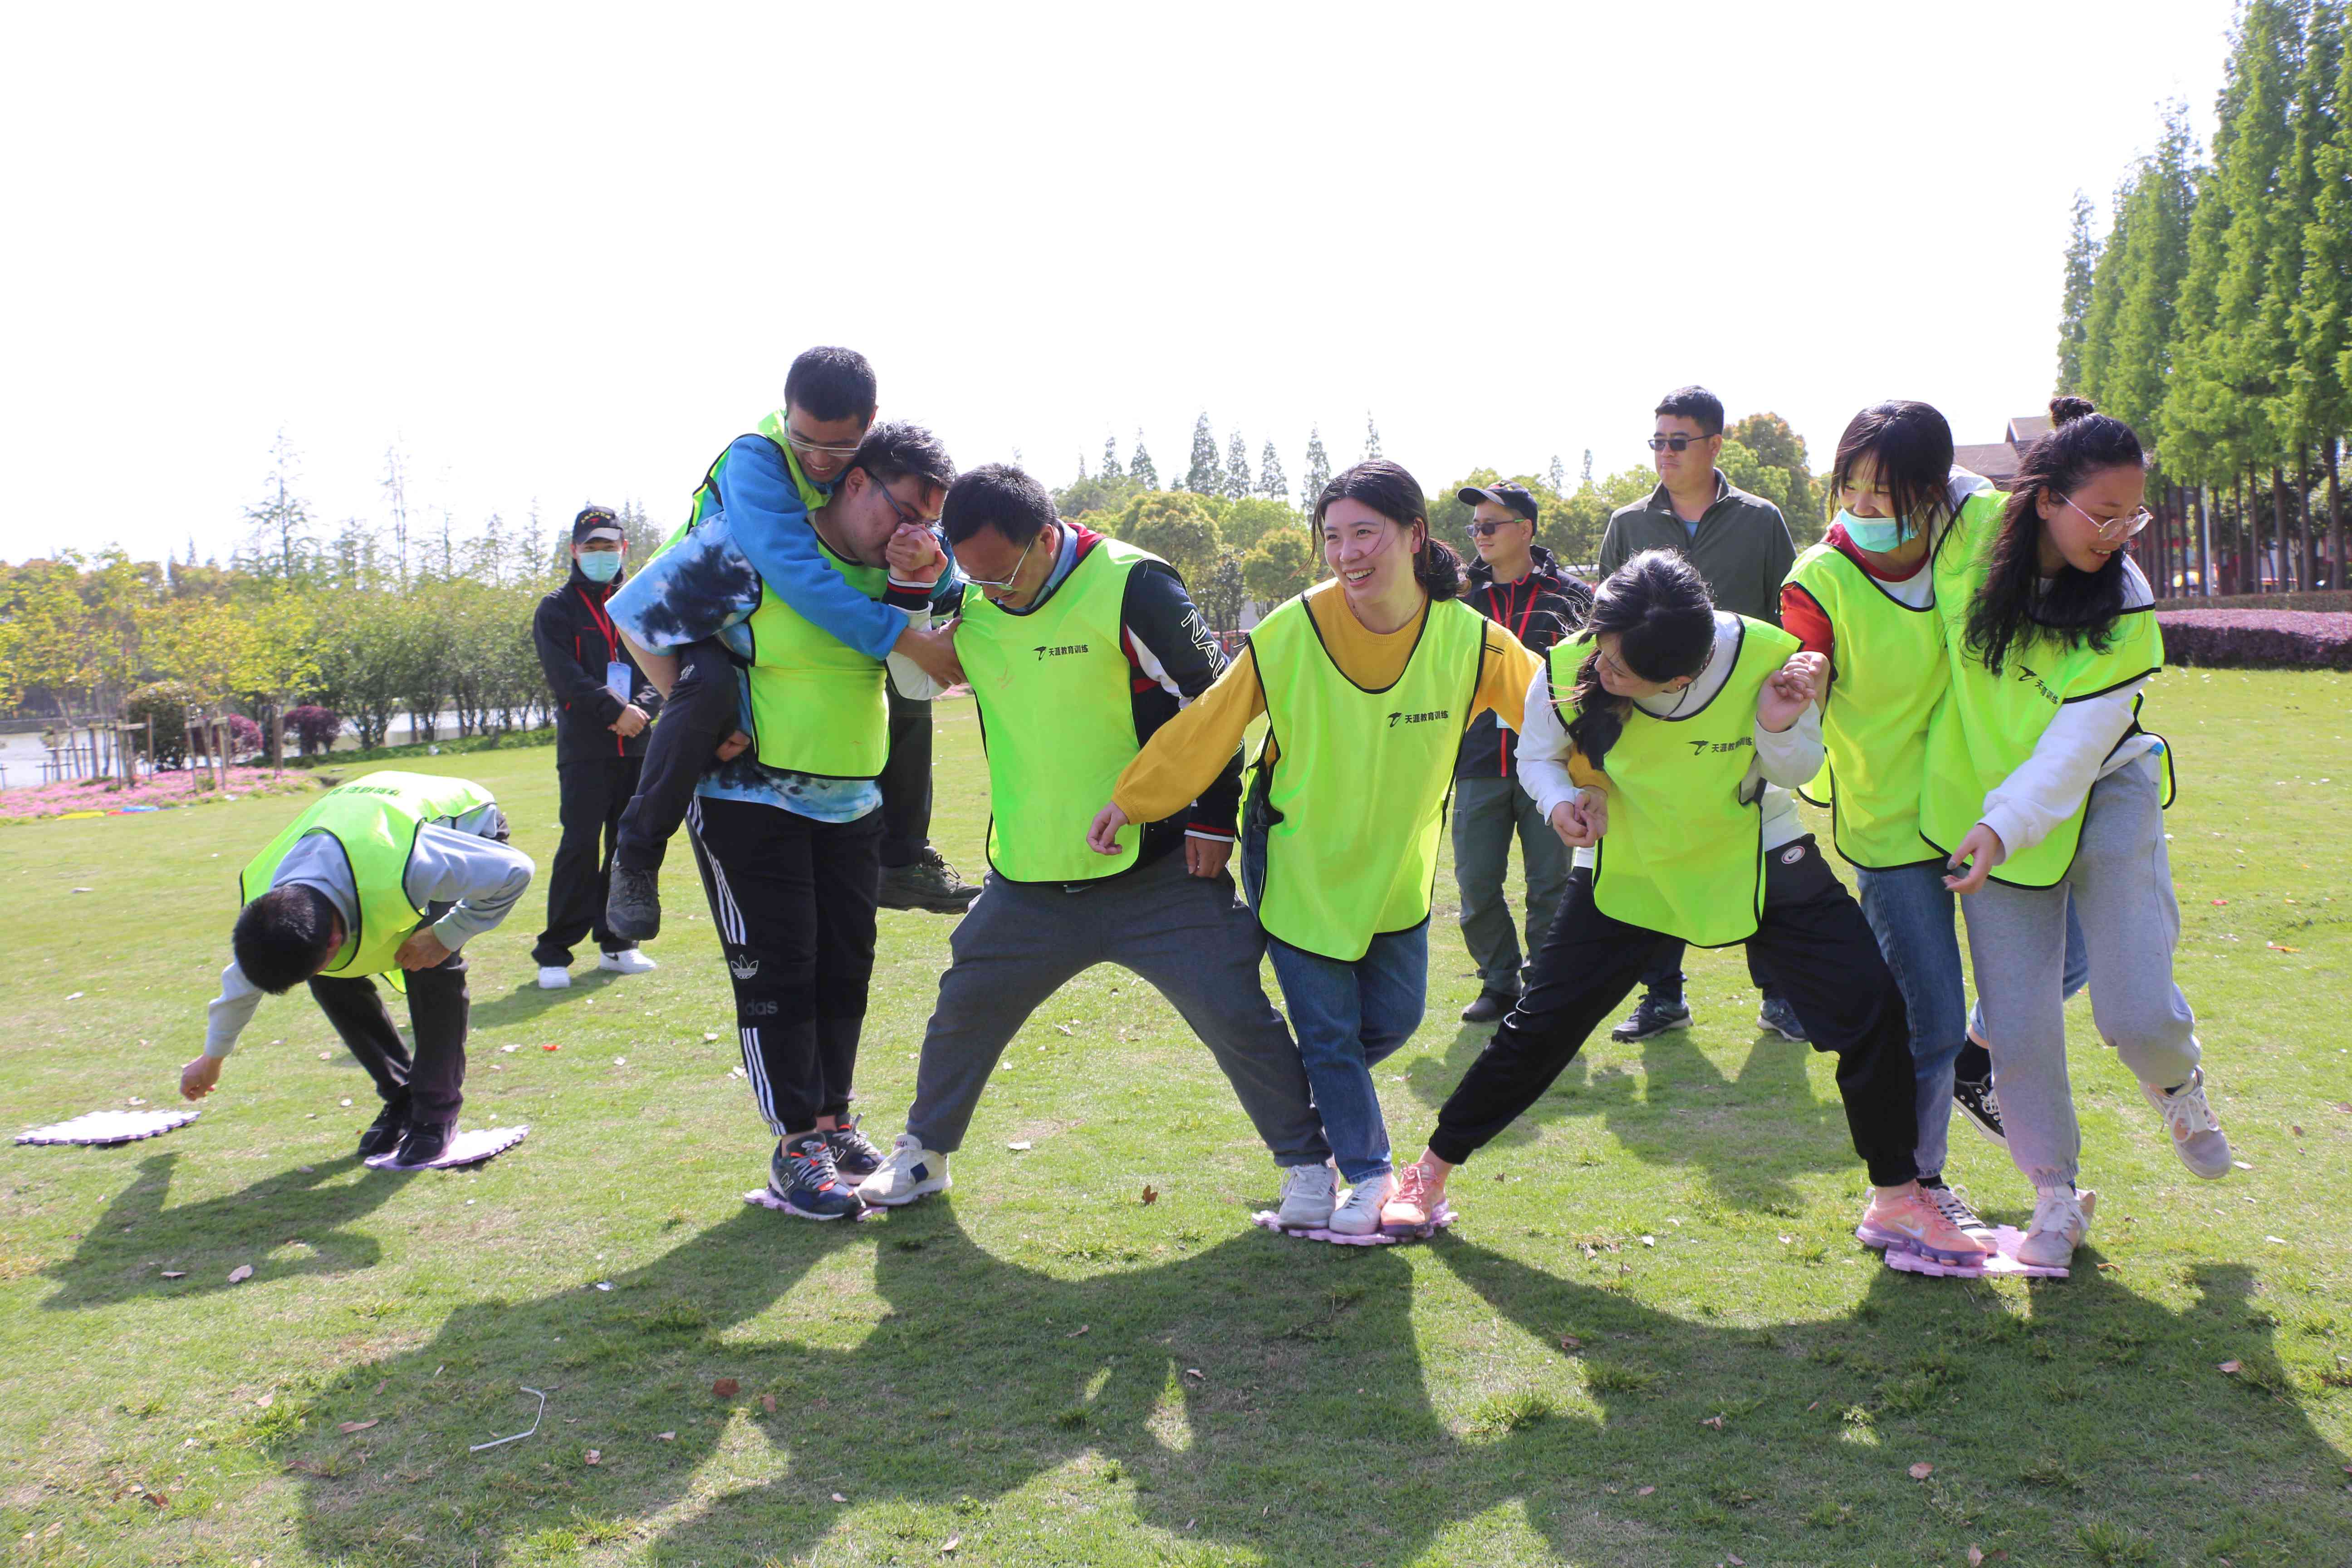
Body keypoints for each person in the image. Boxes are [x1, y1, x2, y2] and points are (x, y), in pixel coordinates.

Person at [1382, 552, 1985, 1264]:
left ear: (1680, 679)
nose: (1602, 671)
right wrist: (1560, 806)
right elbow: (1540, 756)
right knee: (1539, 1028)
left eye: (1621, 673)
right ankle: (1429, 1172)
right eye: (1602, 654)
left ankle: (1897, 1199)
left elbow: (1798, 771)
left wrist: (1779, 721)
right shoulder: (1572, 659)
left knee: (1872, 1008)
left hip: (1760, 857)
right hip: (1633, 867)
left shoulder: (1768, 656)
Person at [854, 466, 1335, 1219]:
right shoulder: (974, 594)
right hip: (1028, 879)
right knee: (964, 1009)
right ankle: (922, 1157)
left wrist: (1211, 817)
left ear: (1045, 538)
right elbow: (915, 688)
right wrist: (915, 588)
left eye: (1002, 574)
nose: (992, 591)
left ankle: (1309, 1167)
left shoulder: (1132, 585)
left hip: (1161, 875)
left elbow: (1216, 703)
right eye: (974, 575)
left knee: (1235, 1013)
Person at [1088, 460, 1544, 1235]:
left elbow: (1549, 714)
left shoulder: (1470, 641)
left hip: (1394, 868)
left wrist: (1603, 777)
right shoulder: (1291, 628)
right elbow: (1212, 720)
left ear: (1412, 535)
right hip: (1294, 853)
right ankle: (1363, 1179)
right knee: (1329, 1032)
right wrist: (1136, 798)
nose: (1344, 553)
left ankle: (1297, 1110)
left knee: (1390, 1023)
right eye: (1330, 537)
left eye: (1363, 532)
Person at [610, 420, 961, 1219]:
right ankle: (794, 1146)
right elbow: (637, 617)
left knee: (845, 972)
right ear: (855, 481)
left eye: (926, 521)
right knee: (780, 975)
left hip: (852, 802)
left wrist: (925, 577)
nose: (911, 533)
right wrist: (690, 705)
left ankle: (834, 1125)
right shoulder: (756, 550)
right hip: (748, 800)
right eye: (903, 511)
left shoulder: (902, 570)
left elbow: (919, 678)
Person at [1927, 397, 2230, 1269]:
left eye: (2128, 516)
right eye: (2100, 515)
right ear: (2042, 496)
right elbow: (1914, 468)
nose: (2114, 534)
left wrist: (1999, 826)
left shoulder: (2123, 599)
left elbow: (2070, 753)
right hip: (1989, 806)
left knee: (2131, 1010)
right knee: (2016, 1022)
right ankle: (2054, 1196)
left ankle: (2175, 1083)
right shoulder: (1974, 527)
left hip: (2101, 790)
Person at [602, 348, 969, 945]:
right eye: (805, 441)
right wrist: (903, 635)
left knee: (904, 688)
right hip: (711, 623)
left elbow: (943, 547)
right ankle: (637, 854)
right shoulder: (758, 459)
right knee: (707, 693)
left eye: (839, 448)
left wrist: (933, 564)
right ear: (785, 413)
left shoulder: (878, 467)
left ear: (870, 424)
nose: (820, 461)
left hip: (795, 643)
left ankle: (902, 858)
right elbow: (796, 573)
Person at [178, 771, 535, 1171]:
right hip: (361, 823)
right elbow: (240, 985)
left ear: (333, 940)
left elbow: (515, 870)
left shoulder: (408, 862)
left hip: (459, 822)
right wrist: (213, 1059)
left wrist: (448, 934)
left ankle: (436, 1115)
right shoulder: (274, 908)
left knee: (430, 966)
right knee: (330, 977)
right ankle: (402, 1098)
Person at [1597, 385, 1803, 1044]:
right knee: (1658, 850)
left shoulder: (1761, 519)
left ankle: (1778, 995)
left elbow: (1788, 617)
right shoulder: (1627, 526)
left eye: (1676, 441)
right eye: (1656, 441)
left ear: (1715, 445)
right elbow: (1601, 625)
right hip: (1653, 721)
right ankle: (1663, 998)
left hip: (1743, 721)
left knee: (1757, 847)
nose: (1663, 453)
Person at [1451, 481, 1593, 1024]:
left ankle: (1546, 983)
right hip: (1478, 762)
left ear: (1526, 530)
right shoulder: (1461, 599)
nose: (1480, 536)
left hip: (1554, 765)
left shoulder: (1574, 596)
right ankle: (1498, 982)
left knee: (1551, 884)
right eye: (1476, 528)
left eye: (1491, 525)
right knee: (1476, 883)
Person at [529, 506, 663, 989]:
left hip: (639, 745)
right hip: (586, 748)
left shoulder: (639, 603)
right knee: (579, 848)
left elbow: (658, 663)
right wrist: (615, 712)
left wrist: (642, 711)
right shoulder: (556, 608)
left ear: (623, 549)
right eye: (592, 547)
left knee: (629, 848)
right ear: (574, 551)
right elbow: (565, 677)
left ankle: (618, 944)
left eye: (610, 547)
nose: (601, 555)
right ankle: (555, 953)